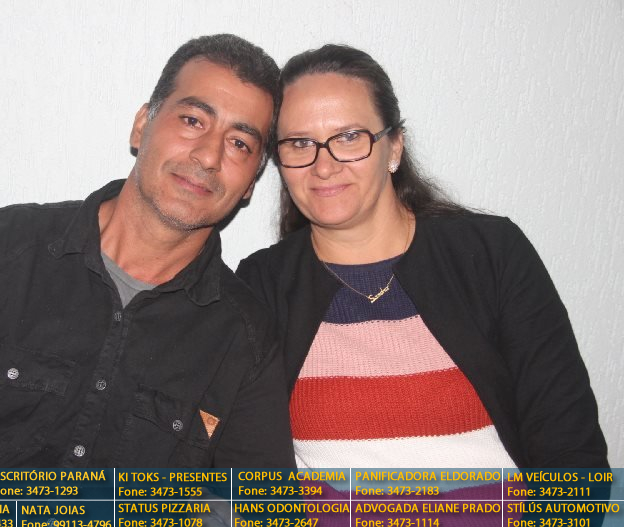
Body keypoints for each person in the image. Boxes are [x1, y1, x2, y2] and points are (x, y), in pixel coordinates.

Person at [0, 34, 295, 468]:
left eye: (240, 144)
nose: (209, 156)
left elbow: (254, 505)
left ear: (249, 184)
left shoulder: (246, 338)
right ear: (142, 125)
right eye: (193, 121)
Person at [237, 44, 608, 470]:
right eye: (300, 143)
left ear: (394, 147)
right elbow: (248, 471)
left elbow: (571, 451)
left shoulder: (491, 254)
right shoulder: (262, 285)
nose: (324, 165)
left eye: (350, 137)